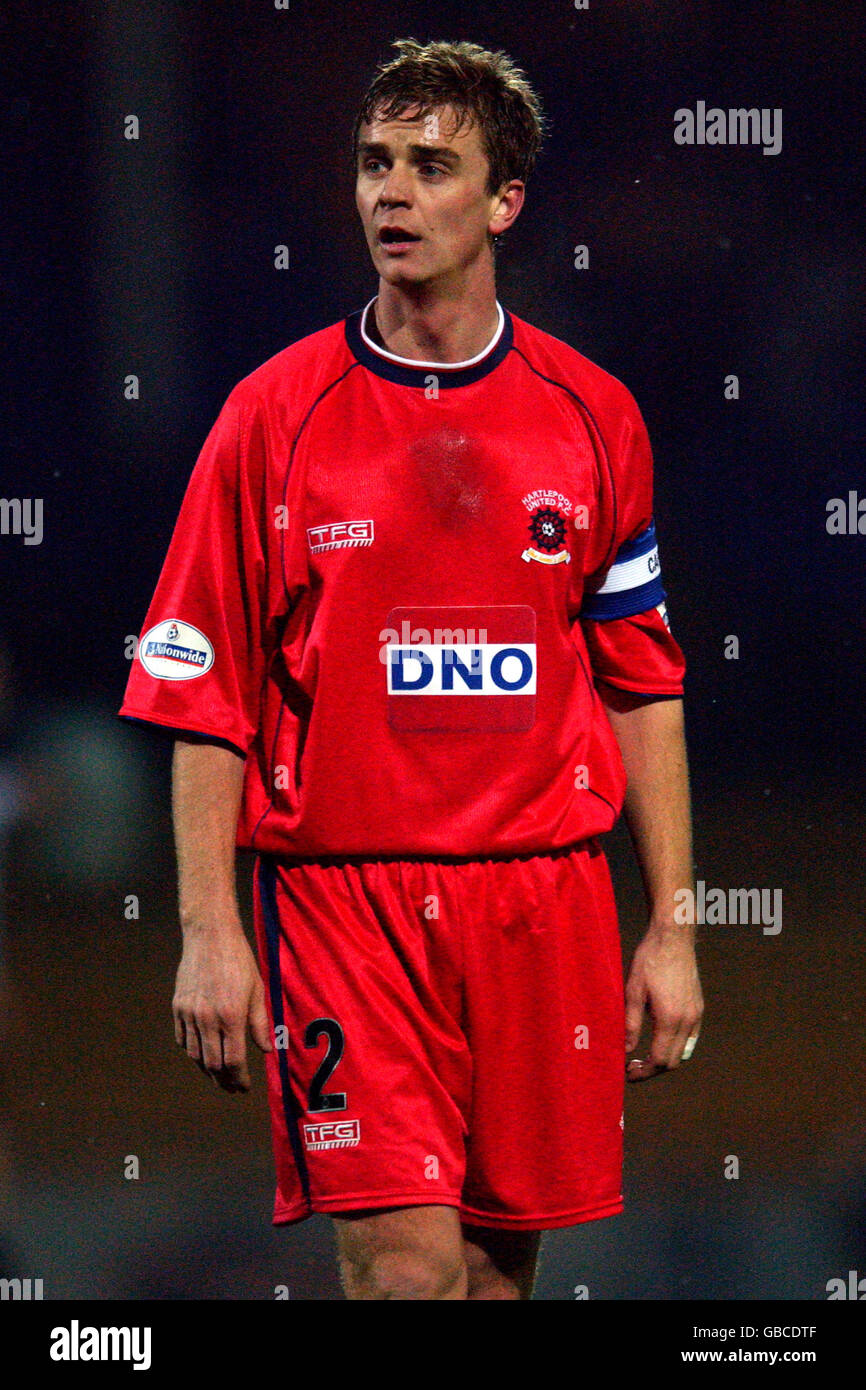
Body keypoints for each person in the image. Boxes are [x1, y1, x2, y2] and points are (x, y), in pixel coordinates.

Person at [120, 38, 703, 1301]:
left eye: (431, 165)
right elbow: (201, 687)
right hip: (342, 906)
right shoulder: (272, 417)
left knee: (492, 1278)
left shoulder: (591, 414)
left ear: (502, 202)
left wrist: (671, 921)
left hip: (539, 901)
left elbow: (640, 682)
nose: (391, 190)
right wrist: (206, 929)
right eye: (375, 162)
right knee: (400, 1266)